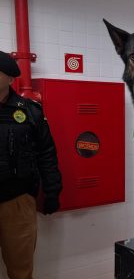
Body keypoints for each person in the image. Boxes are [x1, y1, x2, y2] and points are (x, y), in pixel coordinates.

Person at [0, 51, 62, 279]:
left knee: (21, 270)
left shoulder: (29, 111)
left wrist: (53, 191)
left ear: (9, 78)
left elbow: (46, 153)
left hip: (17, 202)